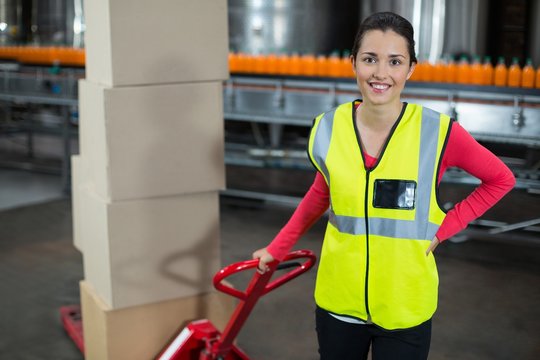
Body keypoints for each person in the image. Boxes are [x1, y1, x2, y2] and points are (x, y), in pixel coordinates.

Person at [252, 11, 515, 360]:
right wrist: (277, 248)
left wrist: (444, 228)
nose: (380, 73)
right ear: (353, 63)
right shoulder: (328, 130)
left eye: (394, 61)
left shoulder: (438, 133)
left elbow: (500, 179)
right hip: (339, 299)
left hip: (405, 305)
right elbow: (321, 193)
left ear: (410, 69)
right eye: (370, 59)